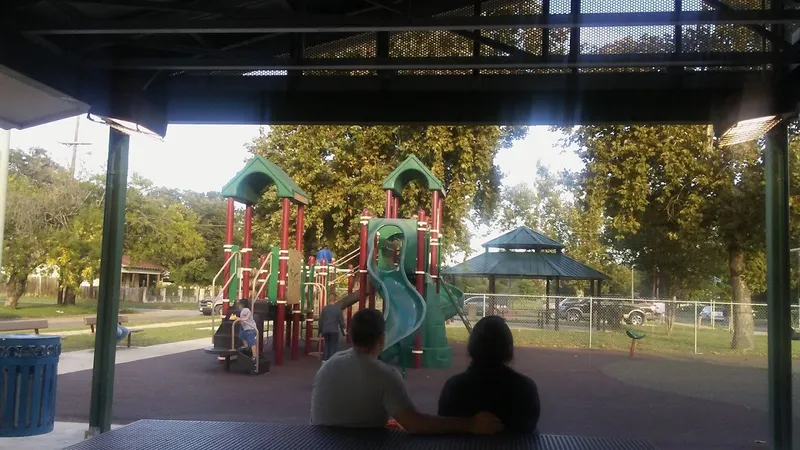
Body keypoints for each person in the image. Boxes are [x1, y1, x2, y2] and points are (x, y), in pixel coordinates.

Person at [310, 308, 503, 435]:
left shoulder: (328, 366)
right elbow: (416, 424)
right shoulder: (385, 375)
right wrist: (470, 424)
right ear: (382, 338)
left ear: (350, 338)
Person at [437, 316, 540, 433]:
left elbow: (444, 429)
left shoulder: (453, 388)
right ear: (508, 350)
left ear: (472, 347)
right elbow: (529, 429)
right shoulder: (526, 388)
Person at [318, 292, 345, 362]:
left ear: (328, 299)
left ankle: (325, 359)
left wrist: (320, 330)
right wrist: (343, 331)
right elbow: (341, 321)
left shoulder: (324, 309)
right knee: (334, 345)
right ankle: (332, 360)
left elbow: (321, 320)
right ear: (335, 299)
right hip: (334, 330)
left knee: (327, 344)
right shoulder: (338, 309)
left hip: (326, 329)